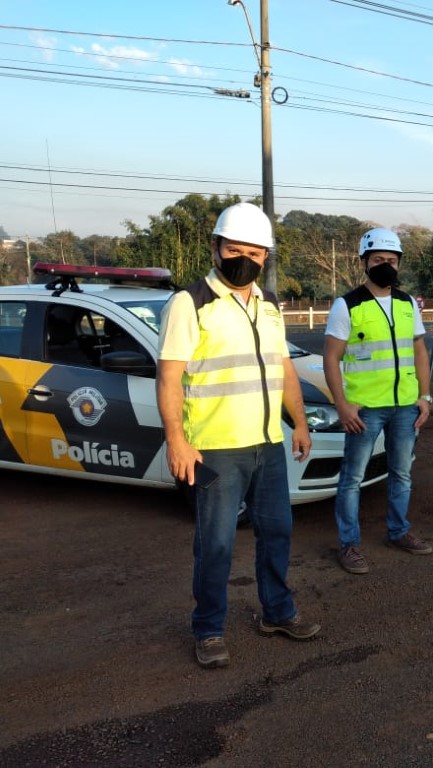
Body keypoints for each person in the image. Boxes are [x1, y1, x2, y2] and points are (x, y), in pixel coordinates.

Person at [156, 202, 321, 670]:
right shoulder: (190, 303)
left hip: (267, 443)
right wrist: (177, 441)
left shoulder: (268, 304)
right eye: (234, 249)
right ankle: (208, 629)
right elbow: (168, 378)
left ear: (266, 256)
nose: (244, 259)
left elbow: (283, 368)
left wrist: (301, 422)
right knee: (217, 542)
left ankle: (278, 612)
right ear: (214, 248)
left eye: (254, 251)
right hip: (214, 449)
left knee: (277, 531)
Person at [323, 227, 433, 575]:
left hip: (405, 406)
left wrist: (425, 395)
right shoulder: (347, 305)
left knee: (401, 473)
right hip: (364, 409)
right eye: (378, 260)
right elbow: (330, 358)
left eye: (391, 260)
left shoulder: (406, 303)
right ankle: (349, 544)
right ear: (363, 263)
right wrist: (341, 403)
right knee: (352, 478)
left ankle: (398, 531)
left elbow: (418, 349)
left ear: (398, 263)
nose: (385, 265)